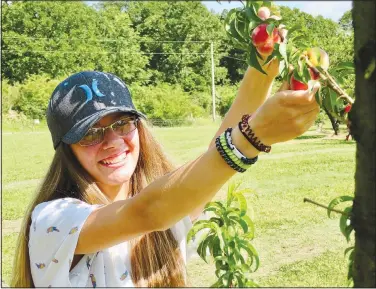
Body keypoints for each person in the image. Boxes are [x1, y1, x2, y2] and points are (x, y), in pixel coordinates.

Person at [11, 59, 320, 287]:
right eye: (91, 133)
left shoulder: (171, 203)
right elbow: (147, 212)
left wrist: (263, 65)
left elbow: (205, 164)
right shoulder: (53, 220)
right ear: (67, 150)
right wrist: (254, 136)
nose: (113, 142)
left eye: (122, 123)